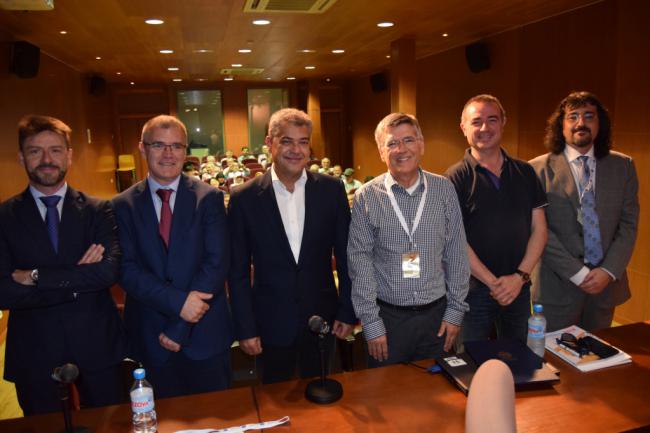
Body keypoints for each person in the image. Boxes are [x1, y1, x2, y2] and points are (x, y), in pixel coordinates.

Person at [0, 115, 125, 415]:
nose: (46, 159)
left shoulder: (98, 210)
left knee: (111, 424)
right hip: (34, 348)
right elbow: (4, 292)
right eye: (35, 151)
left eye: (55, 150)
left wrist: (35, 276)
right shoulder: (4, 218)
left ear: (68, 155)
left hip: (96, 344)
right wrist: (78, 281)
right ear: (21, 157)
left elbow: (107, 272)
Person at [228, 108, 355, 384]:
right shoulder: (244, 198)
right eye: (287, 141)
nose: (296, 150)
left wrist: (347, 310)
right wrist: (246, 328)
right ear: (269, 143)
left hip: (324, 320)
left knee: (325, 406)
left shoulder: (332, 190)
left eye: (303, 141)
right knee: (275, 405)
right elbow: (236, 272)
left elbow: (347, 257)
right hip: (270, 324)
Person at [112, 115, 232, 398]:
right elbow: (126, 270)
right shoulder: (120, 206)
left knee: (215, 418)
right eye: (159, 145)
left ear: (185, 150)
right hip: (150, 338)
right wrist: (180, 304)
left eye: (176, 146)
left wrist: (181, 325)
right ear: (142, 148)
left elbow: (216, 264)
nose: (169, 154)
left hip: (205, 336)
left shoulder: (209, 198)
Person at [348, 112, 470, 367]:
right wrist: (371, 323)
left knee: (437, 396)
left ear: (421, 144)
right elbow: (360, 263)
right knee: (387, 396)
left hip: (437, 319)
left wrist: (455, 311)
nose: (401, 149)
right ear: (382, 152)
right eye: (391, 143)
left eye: (408, 140)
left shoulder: (444, 189)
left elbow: (457, 253)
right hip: (388, 321)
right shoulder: (366, 197)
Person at [530, 91, 639, 332]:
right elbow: (538, 230)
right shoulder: (536, 170)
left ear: (600, 124)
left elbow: (628, 225)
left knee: (598, 361)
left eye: (589, 116)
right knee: (552, 364)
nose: (581, 123)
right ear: (562, 125)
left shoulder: (624, 166)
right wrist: (578, 273)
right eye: (573, 117)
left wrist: (608, 271)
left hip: (605, 287)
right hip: (556, 287)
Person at [445, 95, 548, 344]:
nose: (484, 128)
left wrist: (519, 278)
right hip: (473, 292)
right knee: (473, 366)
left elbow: (540, 230)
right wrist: (494, 284)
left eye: (492, 120)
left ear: (503, 123)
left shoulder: (525, 172)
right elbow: (455, 241)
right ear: (464, 128)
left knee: (521, 362)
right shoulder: (453, 178)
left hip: (519, 288)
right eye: (476, 121)